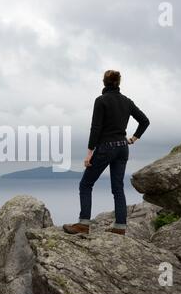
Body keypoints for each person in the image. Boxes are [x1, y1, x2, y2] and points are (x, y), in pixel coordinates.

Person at [63, 70, 150, 236]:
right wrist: (133, 139)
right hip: (123, 147)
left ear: (104, 82)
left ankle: (83, 224)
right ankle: (120, 227)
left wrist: (89, 152)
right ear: (119, 83)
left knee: (86, 184)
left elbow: (95, 128)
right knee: (118, 188)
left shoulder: (101, 100)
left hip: (106, 147)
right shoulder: (127, 101)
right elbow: (145, 121)